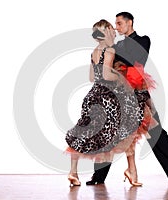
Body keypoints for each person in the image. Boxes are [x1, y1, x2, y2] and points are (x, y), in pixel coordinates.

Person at [86, 12, 168, 186]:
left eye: (119, 23)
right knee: (110, 132)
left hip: (138, 93)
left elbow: (134, 60)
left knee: (156, 133)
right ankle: (98, 177)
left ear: (129, 22)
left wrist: (114, 55)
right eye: (115, 25)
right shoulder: (115, 46)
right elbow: (108, 67)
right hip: (119, 94)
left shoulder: (143, 40)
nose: (116, 27)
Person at [65, 19, 152, 187]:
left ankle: (73, 172)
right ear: (106, 32)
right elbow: (106, 75)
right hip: (108, 97)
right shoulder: (110, 49)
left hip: (93, 96)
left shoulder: (94, 52)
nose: (114, 31)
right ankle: (131, 170)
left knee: (83, 131)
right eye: (112, 28)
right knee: (128, 126)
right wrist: (121, 77)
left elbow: (92, 78)